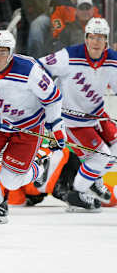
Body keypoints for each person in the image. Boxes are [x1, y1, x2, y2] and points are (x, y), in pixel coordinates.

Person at [0, 29, 65, 224]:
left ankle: (39, 167)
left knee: (10, 180)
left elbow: (52, 98)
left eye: (3, 52)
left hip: (27, 128)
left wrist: (57, 127)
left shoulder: (29, 69)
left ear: (11, 52)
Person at [38, 17, 117, 212]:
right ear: (86, 38)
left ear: (106, 41)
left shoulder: (112, 59)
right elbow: (38, 68)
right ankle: (77, 192)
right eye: (93, 37)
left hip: (97, 116)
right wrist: (48, 96)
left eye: (101, 38)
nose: (96, 41)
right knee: (100, 157)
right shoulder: (69, 56)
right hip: (73, 121)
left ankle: (94, 178)